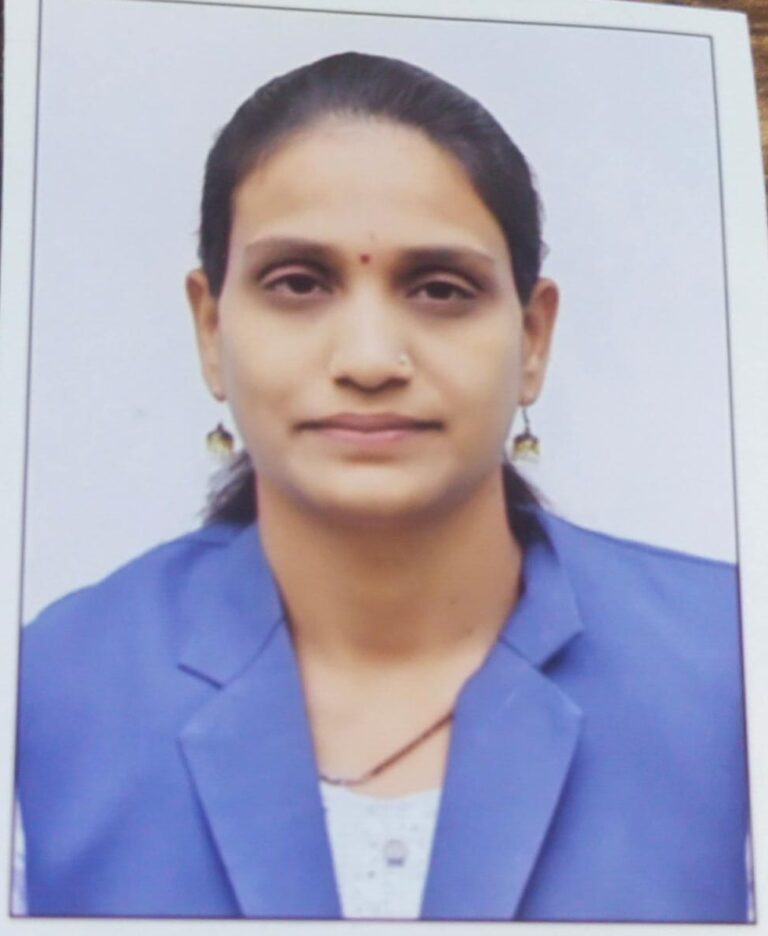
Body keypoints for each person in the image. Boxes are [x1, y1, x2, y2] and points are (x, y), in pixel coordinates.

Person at [15, 51, 749, 922]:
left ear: (534, 338)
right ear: (212, 330)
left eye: (440, 288)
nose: (368, 359)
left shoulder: (734, 669)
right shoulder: (48, 694)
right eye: (297, 283)